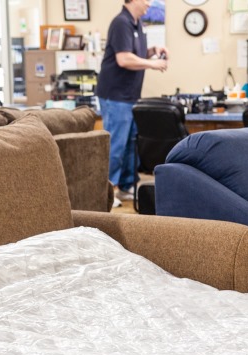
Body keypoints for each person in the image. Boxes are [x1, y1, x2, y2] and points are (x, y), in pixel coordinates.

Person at [96, 0, 169, 204]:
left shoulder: (138, 24)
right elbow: (124, 59)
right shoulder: (121, 22)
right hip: (115, 96)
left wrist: (153, 50)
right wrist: (153, 64)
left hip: (130, 95)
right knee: (116, 146)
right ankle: (107, 193)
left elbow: (135, 54)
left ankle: (126, 187)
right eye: (146, 0)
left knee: (130, 145)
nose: (149, 4)